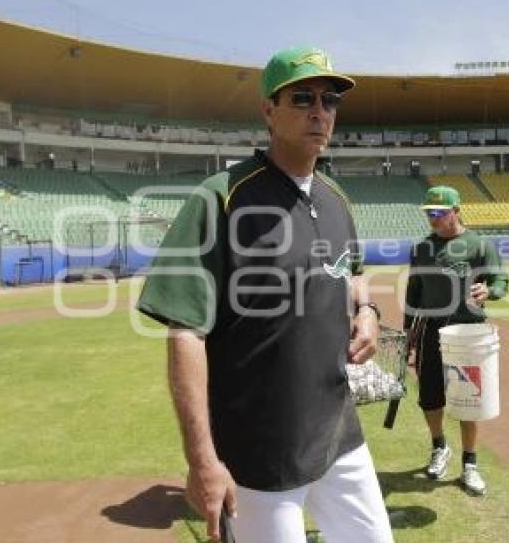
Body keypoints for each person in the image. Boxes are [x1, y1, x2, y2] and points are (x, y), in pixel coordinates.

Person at [137, 46, 393, 543]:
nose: (320, 111)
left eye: (330, 100)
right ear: (268, 111)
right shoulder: (222, 198)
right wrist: (202, 460)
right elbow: (186, 333)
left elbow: (354, 272)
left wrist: (368, 310)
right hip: (258, 452)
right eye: (302, 98)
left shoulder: (336, 199)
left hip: (339, 433)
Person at [404, 185, 508, 496]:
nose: (432, 218)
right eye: (429, 213)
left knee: (470, 399)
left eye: (439, 212)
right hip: (430, 330)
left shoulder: (479, 244)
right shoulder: (422, 248)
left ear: (456, 211)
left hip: (470, 333)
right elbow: (414, 291)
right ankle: (439, 448)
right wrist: (408, 329)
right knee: (430, 395)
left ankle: (470, 464)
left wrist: (490, 291)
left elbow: (500, 280)